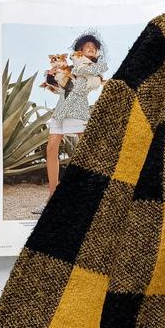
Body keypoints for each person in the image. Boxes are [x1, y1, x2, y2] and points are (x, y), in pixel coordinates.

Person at [34, 29, 109, 213]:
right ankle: (52, 197)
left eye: (94, 47)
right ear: (79, 51)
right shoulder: (69, 69)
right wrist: (52, 76)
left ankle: (91, 196)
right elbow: (61, 90)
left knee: (87, 152)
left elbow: (97, 69)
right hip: (61, 111)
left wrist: (70, 68)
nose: (91, 48)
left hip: (79, 112)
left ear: (97, 52)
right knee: (51, 149)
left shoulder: (96, 68)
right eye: (86, 46)